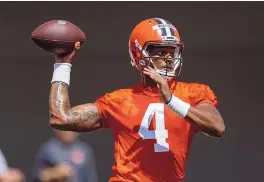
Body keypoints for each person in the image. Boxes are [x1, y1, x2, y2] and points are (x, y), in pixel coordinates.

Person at [47, 18, 225, 182]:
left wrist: (171, 101)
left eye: (173, 51)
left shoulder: (194, 93)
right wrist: (62, 65)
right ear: (139, 54)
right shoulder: (120, 100)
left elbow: (217, 127)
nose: (169, 58)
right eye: (162, 51)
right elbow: (61, 118)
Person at [32, 129, 98, 182]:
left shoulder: (84, 150)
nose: (68, 132)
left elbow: (90, 177)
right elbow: (38, 176)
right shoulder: (48, 149)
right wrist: (55, 173)